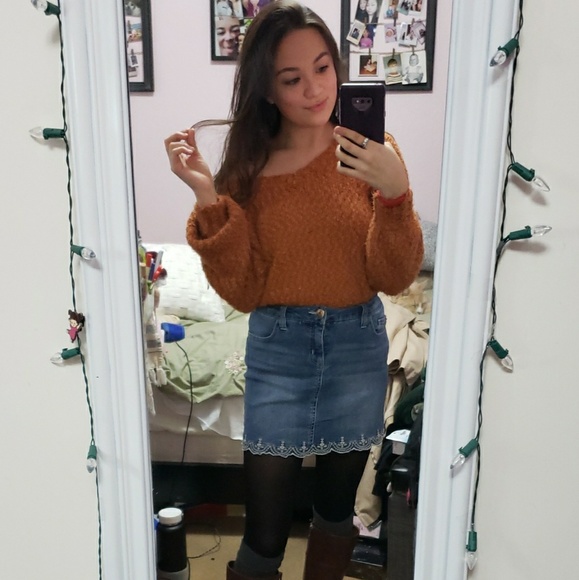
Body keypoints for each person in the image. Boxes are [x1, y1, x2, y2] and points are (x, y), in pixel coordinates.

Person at [164, 2, 423, 579]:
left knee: (334, 511)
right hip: (278, 348)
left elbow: (394, 276)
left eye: (323, 67)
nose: (315, 89)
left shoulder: (371, 150)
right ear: (266, 89)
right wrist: (207, 196)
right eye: (292, 78)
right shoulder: (248, 169)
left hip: (356, 343)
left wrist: (395, 194)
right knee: (263, 533)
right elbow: (241, 290)